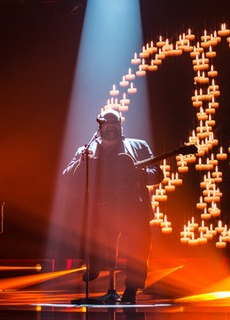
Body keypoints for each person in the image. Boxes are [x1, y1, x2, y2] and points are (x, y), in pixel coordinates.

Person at [63, 109, 164, 303]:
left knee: (138, 248)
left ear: (120, 126)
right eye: (106, 124)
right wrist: (81, 163)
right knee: (85, 230)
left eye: (114, 123)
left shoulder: (139, 146)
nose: (110, 127)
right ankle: (94, 264)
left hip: (133, 210)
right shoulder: (86, 150)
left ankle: (131, 290)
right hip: (101, 211)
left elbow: (157, 174)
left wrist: (138, 172)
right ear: (99, 127)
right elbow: (67, 177)